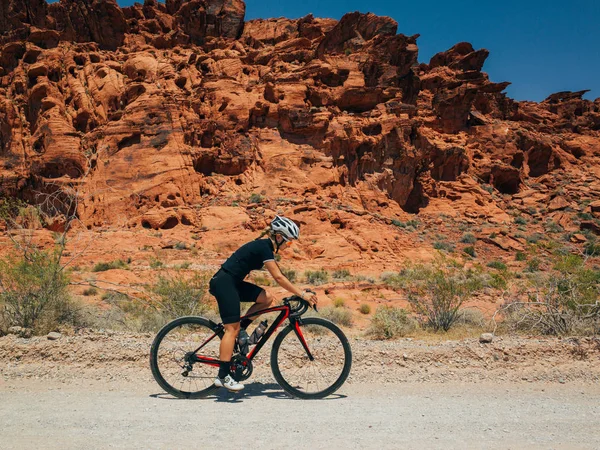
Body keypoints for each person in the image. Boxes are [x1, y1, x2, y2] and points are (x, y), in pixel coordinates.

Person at [208, 215, 318, 392]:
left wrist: (300, 291)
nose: (288, 246)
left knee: (266, 298)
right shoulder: (263, 247)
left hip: (233, 283)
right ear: (279, 237)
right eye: (288, 242)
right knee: (231, 329)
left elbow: (279, 277)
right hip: (224, 283)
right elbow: (278, 277)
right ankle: (223, 376)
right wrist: (301, 294)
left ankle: (241, 329)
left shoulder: (265, 247)